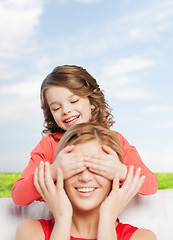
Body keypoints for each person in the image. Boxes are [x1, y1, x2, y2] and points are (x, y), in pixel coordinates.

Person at [12, 65, 158, 206]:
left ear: (92, 102)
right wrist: (53, 172)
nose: (66, 110)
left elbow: (151, 185)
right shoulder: (49, 145)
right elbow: (18, 196)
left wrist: (120, 171)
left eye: (74, 101)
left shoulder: (114, 140)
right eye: (56, 108)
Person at [16, 123, 157, 240]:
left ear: (115, 176)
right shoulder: (31, 231)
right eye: (75, 167)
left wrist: (107, 220)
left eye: (97, 168)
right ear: (61, 176)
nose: (85, 177)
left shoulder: (142, 237)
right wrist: (62, 219)